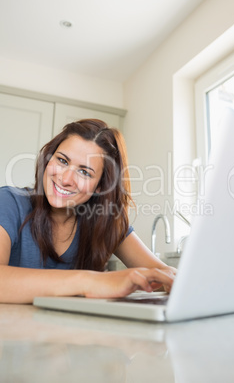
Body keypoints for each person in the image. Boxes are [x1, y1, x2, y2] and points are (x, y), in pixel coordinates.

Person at [0, 118, 175, 303]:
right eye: (62, 160)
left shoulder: (105, 222)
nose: (66, 179)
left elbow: (164, 275)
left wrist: (174, 279)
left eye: (84, 172)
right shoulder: (9, 202)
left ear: (100, 187)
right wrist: (90, 281)